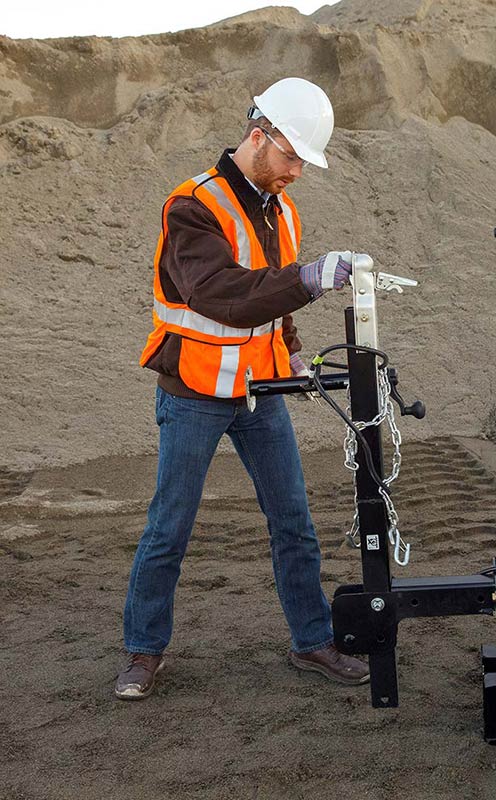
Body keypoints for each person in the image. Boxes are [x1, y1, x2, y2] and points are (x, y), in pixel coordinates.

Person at [116, 77, 370, 700]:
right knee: (169, 528)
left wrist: (291, 351)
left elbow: (269, 299)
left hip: (259, 390)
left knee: (293, 522)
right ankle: (143, 651)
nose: (296, 173)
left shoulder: (281, 210)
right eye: (291, 157)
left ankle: (312, 640)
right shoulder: (192, 206)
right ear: (259, 136)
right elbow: (221, 294)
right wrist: (308, 279)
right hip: (194, 392)